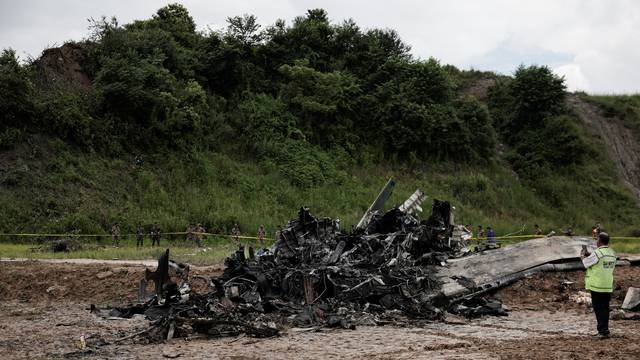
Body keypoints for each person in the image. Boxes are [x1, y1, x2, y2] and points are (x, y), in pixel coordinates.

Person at [581, 232, 616, 338]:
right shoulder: (612, 252)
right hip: (607, 285)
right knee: (605, 308)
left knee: (598, 309)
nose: (596, 241)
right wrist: (590, 255)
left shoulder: (597, 253)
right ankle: (605, 330)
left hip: (597, 286)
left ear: (600, 241)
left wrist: (582, 255)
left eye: (597, 239)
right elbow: (601, 261)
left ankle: (602, 332)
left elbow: (586, 263)